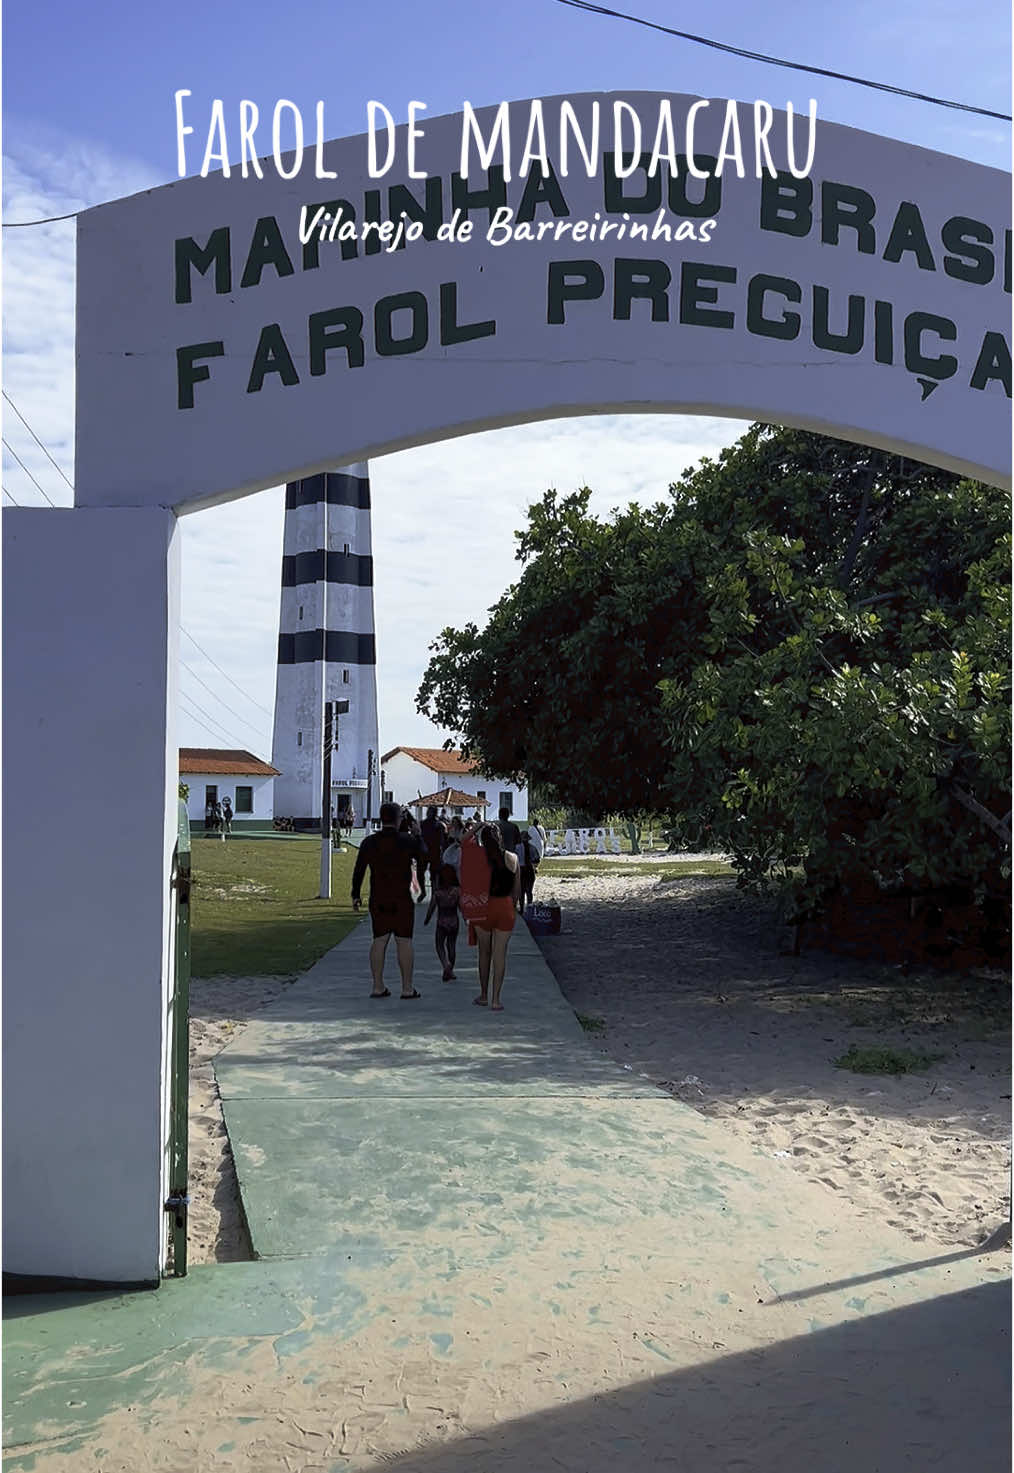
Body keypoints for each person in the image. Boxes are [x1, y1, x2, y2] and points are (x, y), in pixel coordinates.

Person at [351, 801, 429, 999]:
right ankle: (407, 988)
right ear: (398, 819)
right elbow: (424, 857)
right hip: (402, 898)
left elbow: (359, 870)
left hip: (379, 897)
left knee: (379, 940)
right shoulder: (407, 840)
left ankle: (378, 986)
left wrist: (355, 894)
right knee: (404, 941)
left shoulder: (369, 842)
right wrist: (418, 834)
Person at [461, 824, 520, 1011]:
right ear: (500, 838)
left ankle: (484, 995)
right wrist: (514, 906)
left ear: (482, 839)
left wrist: (477, 826)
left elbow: (462, 841)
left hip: (483, 907)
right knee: (500, 955)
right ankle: (496, 999)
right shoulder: (512, 858)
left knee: (484, 953)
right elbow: (516, 891)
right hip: (505, 906)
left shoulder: (478, 856)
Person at [424, 862, 461, 981]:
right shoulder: (457, 892)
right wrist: (466, 918)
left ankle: (446, 965)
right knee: (452, 945)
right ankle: (451, 969)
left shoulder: (438, 893)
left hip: (442, 921)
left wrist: (427, 919)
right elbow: (462, 907)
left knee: (439, 945)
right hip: (454, 920)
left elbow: (432, 908)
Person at [419, 805, 447, 889]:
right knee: (420, 872)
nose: (427, 813)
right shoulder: (423, 823)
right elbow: (420, 836)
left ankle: (433, 894)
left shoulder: (439, 825)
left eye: (429, 811)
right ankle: (423, 891)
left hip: (435, 851)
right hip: (425, 850)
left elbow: (442, 840)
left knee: (434, 874)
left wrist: (442, 852)